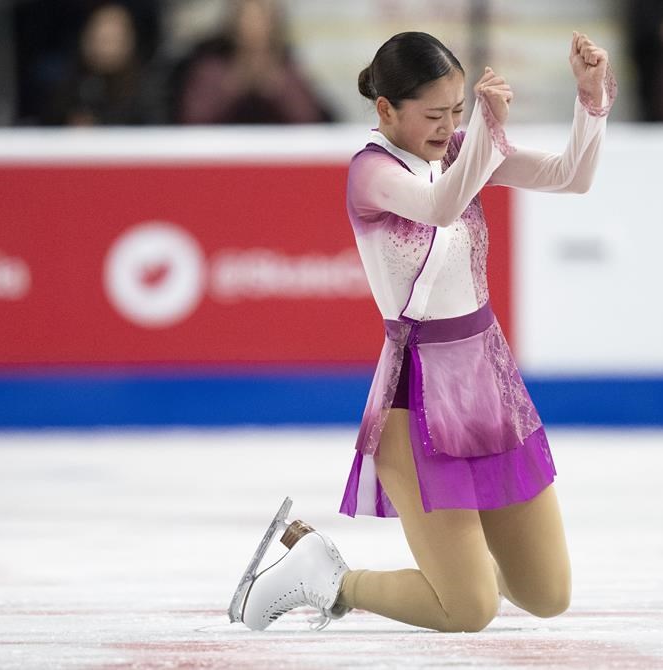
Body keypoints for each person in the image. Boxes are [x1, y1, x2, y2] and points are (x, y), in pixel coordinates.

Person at [230, 30, 616, 633]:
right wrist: (486, 134)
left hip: (488, 384)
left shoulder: (463, 147)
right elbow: (439, 206)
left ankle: (459, 561)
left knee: (547, 593)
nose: (448, 126)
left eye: (458, 111)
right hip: (417, 398)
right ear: (386, 110)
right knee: (469, 607)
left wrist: (590, 99)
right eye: (434, 114)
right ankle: (325, 579)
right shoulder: (371, 173)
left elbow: (572, 176)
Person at [175, 0, 334, 124]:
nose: (252, 28)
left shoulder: (286, 66)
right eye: (246, 19)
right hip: (220, 156)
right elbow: (193, 119)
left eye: (260, 20)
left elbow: (309, 119)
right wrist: (233, 83)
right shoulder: (212, 66)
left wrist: (275, 84)